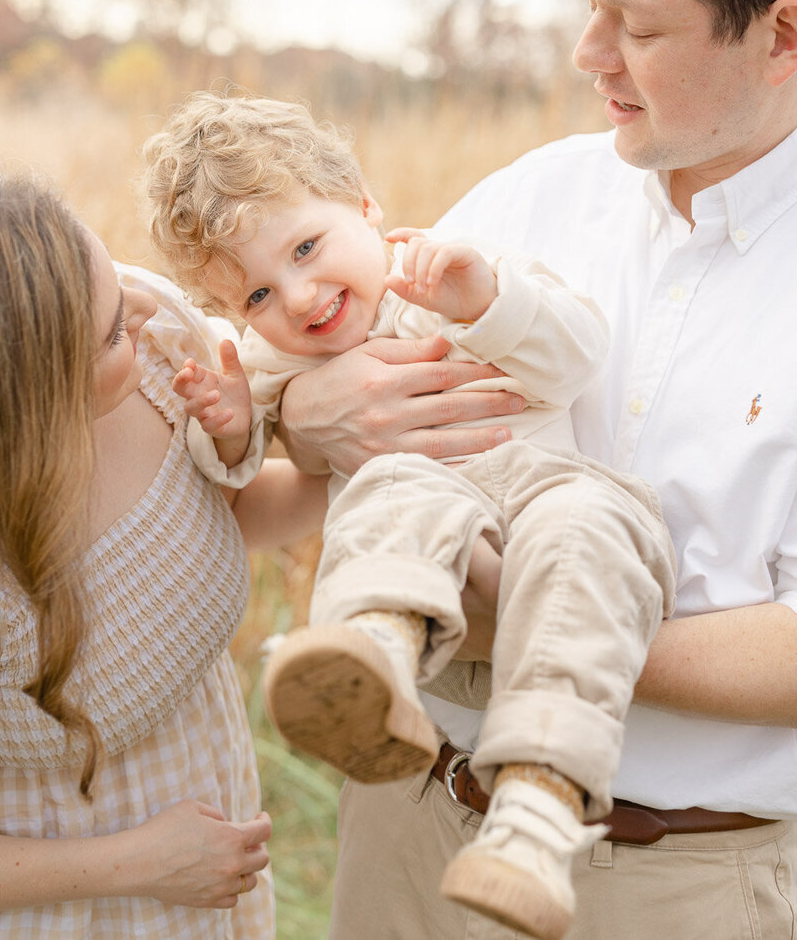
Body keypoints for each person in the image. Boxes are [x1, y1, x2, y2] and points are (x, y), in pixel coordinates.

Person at [254, 0, 797, 940]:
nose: (585, 55)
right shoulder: (527, 196)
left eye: (635, 29)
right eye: (588, 7)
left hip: (676, 882)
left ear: (780, 37)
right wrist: (308, 410)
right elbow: (346, 381)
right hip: (406, 829)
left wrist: (537, 619)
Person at [142, 91, 675, 939]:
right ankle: (373, 668)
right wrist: (232, 416)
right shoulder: (276, 361)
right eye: (256, 296)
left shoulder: (450, 270)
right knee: (394, 490)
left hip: (544, 488)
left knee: (595, 532)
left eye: (308, 247)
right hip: (434, 536)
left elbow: (577, 358)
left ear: (364, 205)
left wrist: (487, 298)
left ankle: (537, 817)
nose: (300, 296)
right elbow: (245, 464)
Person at [0, 174, 280, 937]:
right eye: (114, 330)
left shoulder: (158, 343)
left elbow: (218, 518)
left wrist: (342, 437)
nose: (150, 310)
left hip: (213, 876)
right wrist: (145, 863)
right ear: (35, 400)